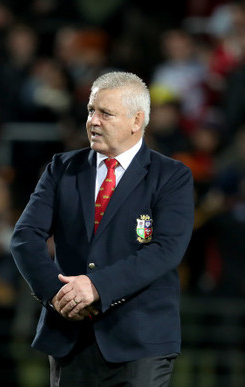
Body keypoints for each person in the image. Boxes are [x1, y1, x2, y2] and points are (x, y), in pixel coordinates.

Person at [10, 71, 194, 386]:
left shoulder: (171, 176)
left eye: (105, 113)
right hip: (71, 336)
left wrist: (96, 286)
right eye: (90, 111)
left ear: (137, 121)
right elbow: (25, 238)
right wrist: (57, 294)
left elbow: (166, 250)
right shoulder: (62, 168)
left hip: (141, 342)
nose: (93, 121)